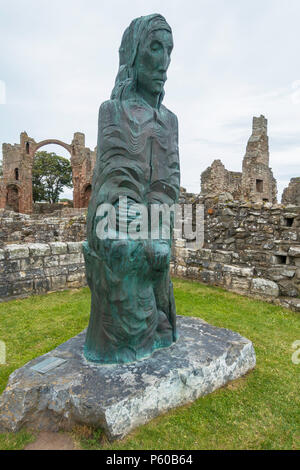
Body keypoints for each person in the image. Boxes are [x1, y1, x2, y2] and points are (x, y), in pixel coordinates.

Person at [83, 14, 180, 364]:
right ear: (134, 53)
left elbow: (169, 183)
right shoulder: (112, 112)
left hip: (153, 225)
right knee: (122, 250)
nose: (164, 61)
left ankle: (156, 325)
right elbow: (111, 177)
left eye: (168, 50)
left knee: (156, 252)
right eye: (155, 48)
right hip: (117, 222)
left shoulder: (170, 122)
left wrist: (156, 226)